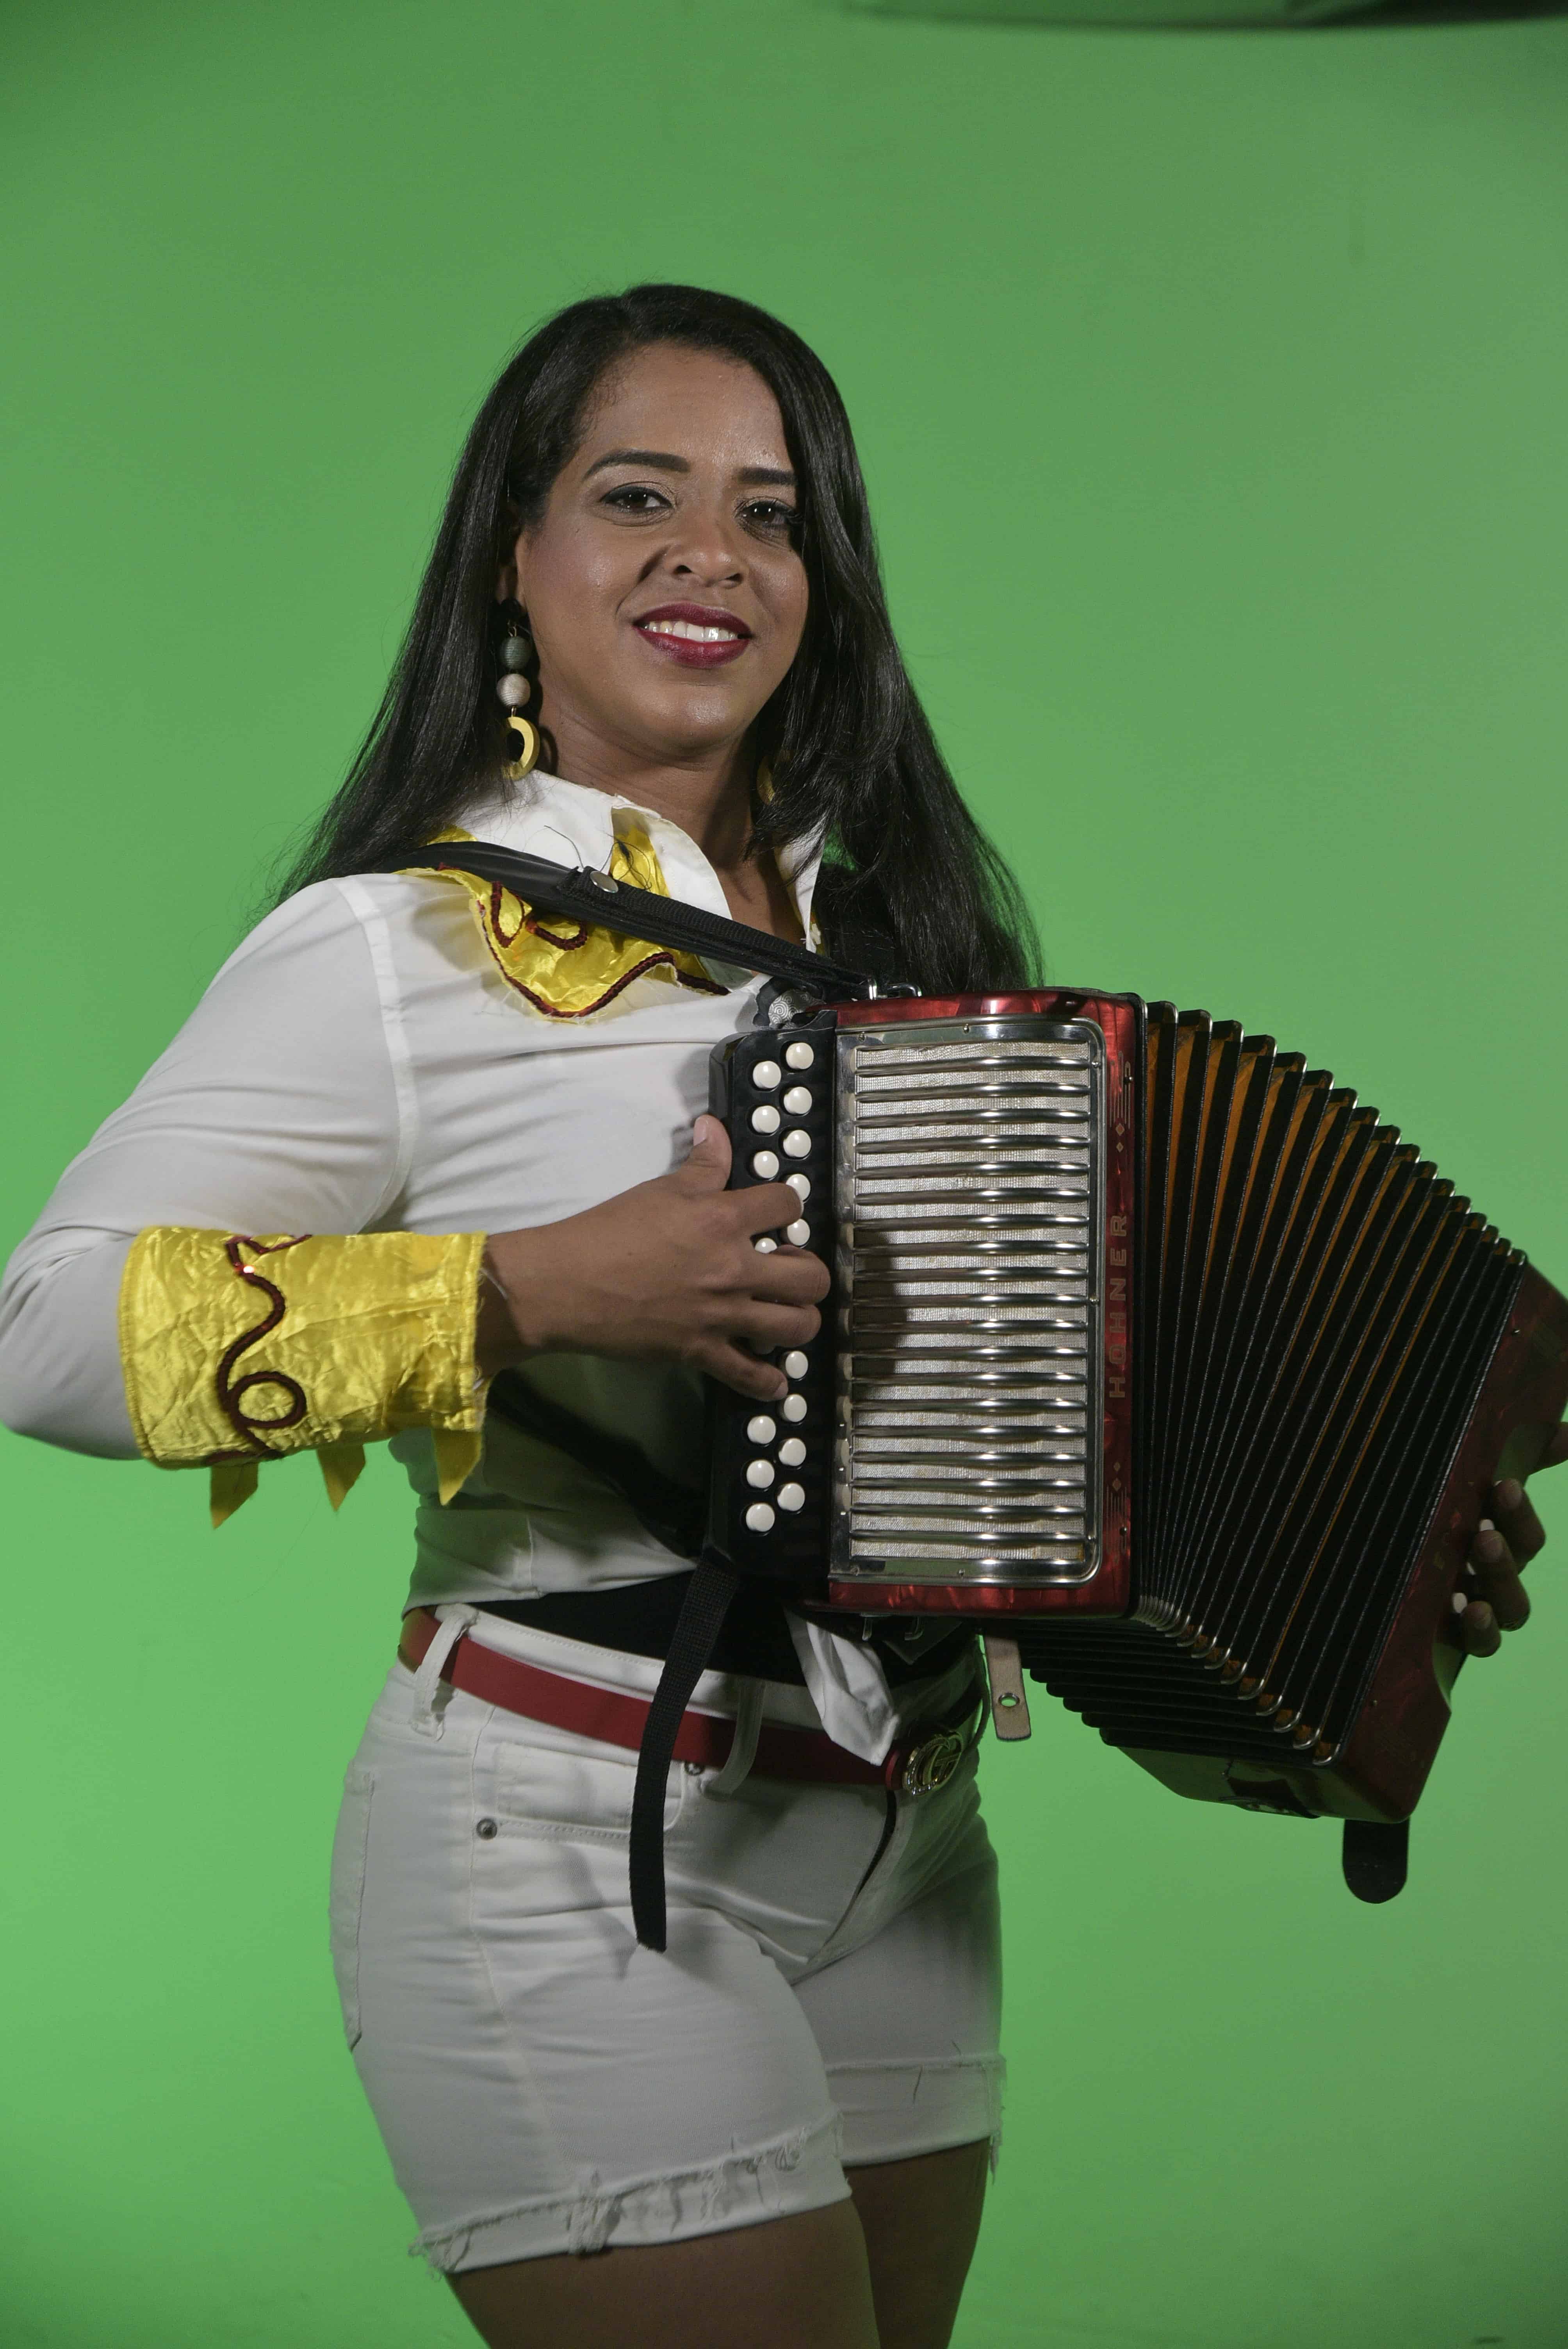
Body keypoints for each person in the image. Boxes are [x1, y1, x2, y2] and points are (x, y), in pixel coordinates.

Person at [0, 284, 1558, 2349]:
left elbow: (1025, 1445)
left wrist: (1374, 1542)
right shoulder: (391, 948)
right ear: (512, 559)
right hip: (565, 1840)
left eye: (772, 511)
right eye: (635, 495)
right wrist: (538, 1289)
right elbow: (48, 1331)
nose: (709, 555)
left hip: (907, 1836)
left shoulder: (900, 944)